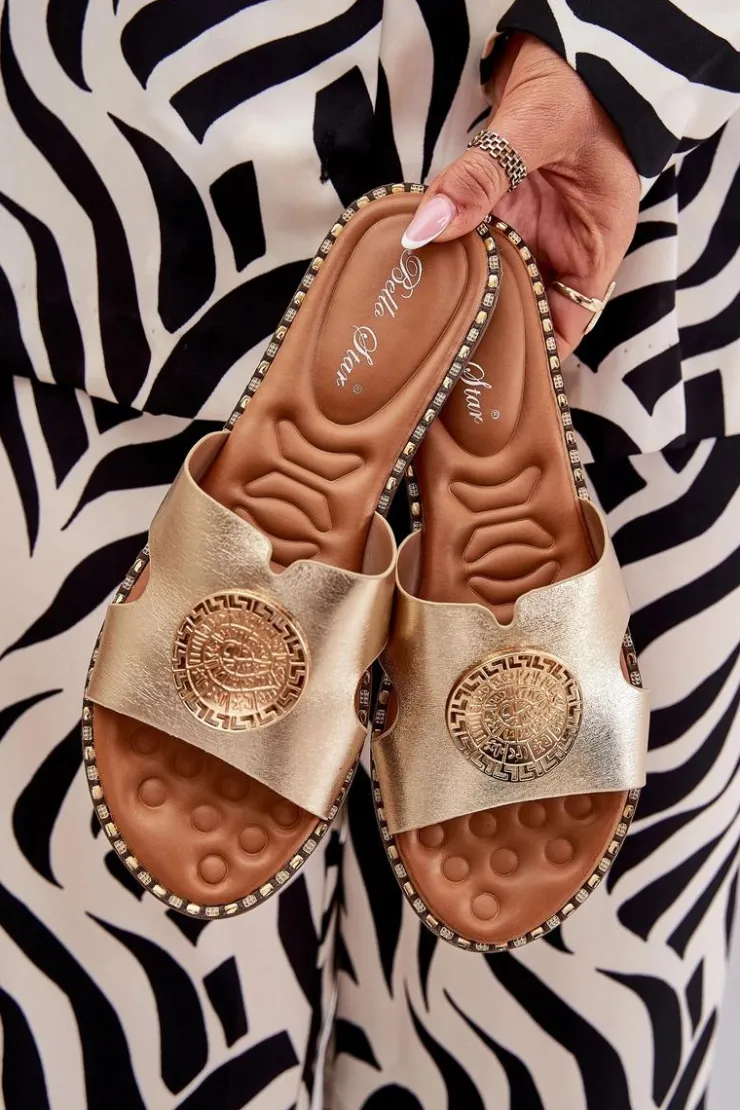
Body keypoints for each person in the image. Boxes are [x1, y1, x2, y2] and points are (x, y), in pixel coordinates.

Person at [0, 2, 738, 1107]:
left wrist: (632, 56)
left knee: (551, 1055)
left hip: (618, 256)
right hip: (137, 253)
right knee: (134, 1038)